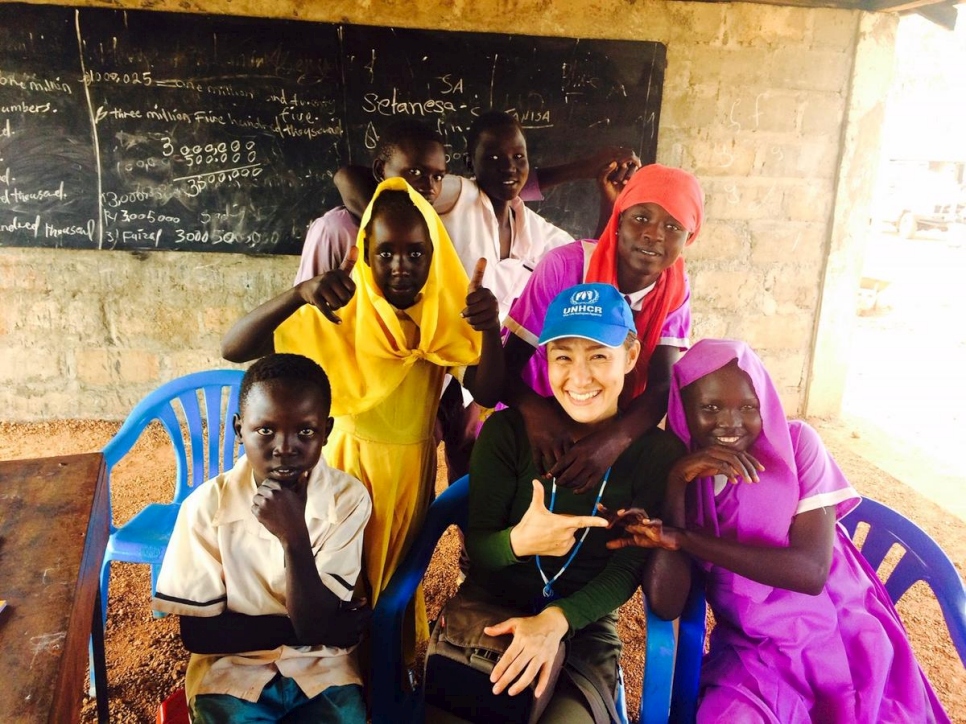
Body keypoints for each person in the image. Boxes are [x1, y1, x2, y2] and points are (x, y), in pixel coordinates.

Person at [221, 177, 504, 649]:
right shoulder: (341, 312)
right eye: (385, 252)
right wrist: (299, 294)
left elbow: (489, 391)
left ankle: (384, 679)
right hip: (338, 465)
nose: (400, 266)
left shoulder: (440, 318)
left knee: (390, 584)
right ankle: (332, 673)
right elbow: (235, 347)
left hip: (406, 474)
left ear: (434, 255)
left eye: (416, 253)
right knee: (334, 578)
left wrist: (490, 329)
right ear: (365, 252)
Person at [605, 338, 951, 723]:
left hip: (844, 639)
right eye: (711, 407)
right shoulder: (679, 470)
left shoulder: (798, 445)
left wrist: (686, 540)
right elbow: (667, 603)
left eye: (749, 407)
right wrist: (675, 482)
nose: (730, 423)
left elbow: (811, 573)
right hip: (755, 650)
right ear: (684, 410)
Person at [428, 283, 685, 723]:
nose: (579, 378)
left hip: (583, 626)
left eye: (599, 356)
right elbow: (482, 549)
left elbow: (626, 569)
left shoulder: (655, 454)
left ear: (631, 355)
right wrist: (519, 543)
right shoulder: (507, 433)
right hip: (489, 610)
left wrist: (558, 619)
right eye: (563, 356)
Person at [152, 353, 371, 724]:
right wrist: (324, 628)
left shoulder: (347, 500)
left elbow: (318, 630)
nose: (285, 447)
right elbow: (200, 635)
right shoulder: (205, 508)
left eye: (305, 431)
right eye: (265, 430)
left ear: (327, 431)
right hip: (231, 673)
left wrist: (294, 536)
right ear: (239, 429)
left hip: (323, 670)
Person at [502, 163, 703, 493]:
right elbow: (508, 367)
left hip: (612, 415)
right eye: (641, 217)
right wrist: (537, 413)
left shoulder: (675, 289)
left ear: (689, 238)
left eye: (673, 226)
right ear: (620, 217)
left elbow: (661, 384)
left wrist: (613, 441)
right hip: (542, 413)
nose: (654, 233)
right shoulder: (566, 267)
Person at [294, 118, 447, 284]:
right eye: (415, 172)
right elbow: (306, 304)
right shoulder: (335, 230)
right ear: (381, 170)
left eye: (438, 177)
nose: (430, 187)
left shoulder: (431, 230)